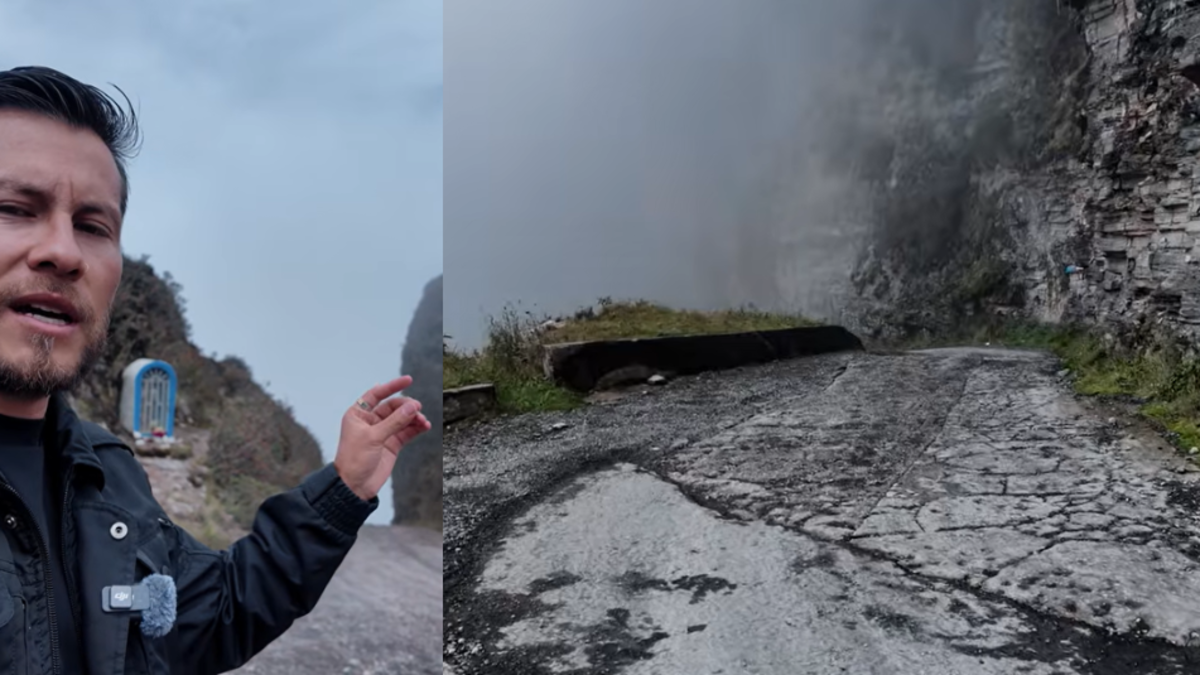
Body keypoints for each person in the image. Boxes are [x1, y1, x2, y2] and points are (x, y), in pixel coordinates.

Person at [0, 65, 432, 674]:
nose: (64, 252)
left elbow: (209, 616)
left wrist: (345, 487)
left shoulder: (103, 472)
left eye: (94, 226)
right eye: (15, 208)